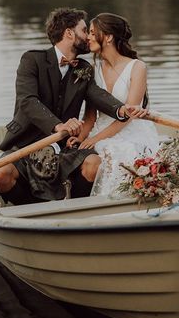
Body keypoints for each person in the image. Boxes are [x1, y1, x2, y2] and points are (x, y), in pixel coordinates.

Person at [0, 7, 144, 205]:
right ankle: (29, 210)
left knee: (94, 164)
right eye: (84, 30)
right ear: (69, 33)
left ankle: (74, 209)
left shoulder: (83, 68)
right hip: (26, 144)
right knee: (1, 175)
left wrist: (121, 110)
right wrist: (58, 126)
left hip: (65, 147)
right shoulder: (32, 60)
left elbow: (97, 95)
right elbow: (27, 101)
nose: (88, 37)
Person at [67, 12, 159, 198]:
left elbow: (128, 115)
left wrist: (95, 140)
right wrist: (82, 137)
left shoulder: (137, 67)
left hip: (130, 130)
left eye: (93, 33)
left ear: (108, 37)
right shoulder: (92, 70)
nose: (88, 37)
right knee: (92, 157)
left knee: (115, 154)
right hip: (100, 130)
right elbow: (90, 117)